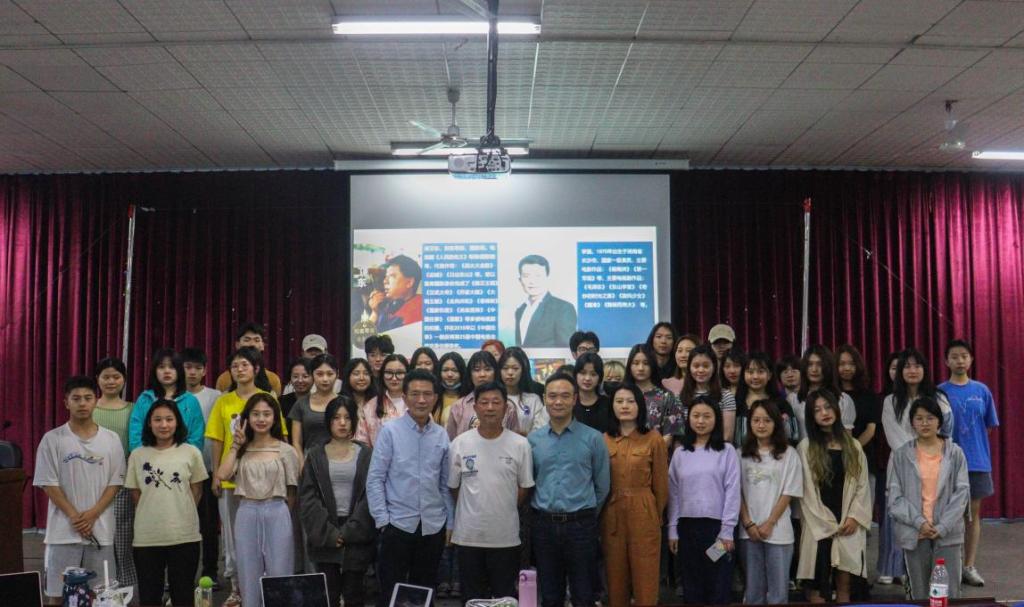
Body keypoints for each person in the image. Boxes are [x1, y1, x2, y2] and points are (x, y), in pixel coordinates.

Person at [205, 347, 289, 606]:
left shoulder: (267, 398)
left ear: (256, 368)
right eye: (235, 366)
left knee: (274, 548)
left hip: (267, 479)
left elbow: (281, 435)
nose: (239, 369)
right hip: (233, 474)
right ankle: (238, 588)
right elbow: (217, 439)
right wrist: (216, 476)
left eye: (245, 364)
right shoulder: (224, 401)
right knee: (236, 542)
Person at [34, 376, 125, 605]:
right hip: (62, 532)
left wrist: (92, 514)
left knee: (102, 595)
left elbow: (115, 482)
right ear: (66, 402)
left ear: (96, 401)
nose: (82, 403)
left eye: (87, 398)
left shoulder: (111, 439)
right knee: (57, 594)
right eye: (76, 398)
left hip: (100, 530)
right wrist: (75, 517)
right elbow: (48, 483)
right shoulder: (52, 439)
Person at [367, 369, 455, 599]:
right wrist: (383, 521)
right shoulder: (390, 431)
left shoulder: (441, 435)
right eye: (415, 394)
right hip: (397, 524)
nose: (421, 400)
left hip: (432, 526)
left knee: (424, 593)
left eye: (427, 394)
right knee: (391, 593)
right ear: (405, 398)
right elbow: (375, 478)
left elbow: (445, 484)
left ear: (435, 398)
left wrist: (449, 522)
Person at [529, 372, 610, 607]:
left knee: (584, 595)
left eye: (565, 396)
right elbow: (529, 483)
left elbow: (602, 485)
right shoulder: (533, 441)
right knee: (550, 595)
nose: (558, 401)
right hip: (543, 525)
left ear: (575, 399)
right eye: (552, 396)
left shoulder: (593, 438)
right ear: (544, 399)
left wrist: (585, 515)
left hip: (581, 526)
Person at [449, 381, 535, 602]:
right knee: (472, 599)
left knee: (504, 598)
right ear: (475, 407)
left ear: (506, 408)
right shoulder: (459, 443)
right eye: (484, 402)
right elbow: (454, 487)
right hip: (468, 536)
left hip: (505, 537)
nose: (490, 407)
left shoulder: (520, 445)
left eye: (496, 402)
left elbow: (524, 486)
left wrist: (503, 506)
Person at [217, 393, 300, 607]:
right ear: (247, 418)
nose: (261, 419)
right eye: (255, 414)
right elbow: (222, 475)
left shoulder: (286, 450)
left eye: (266, 414)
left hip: (277, 510)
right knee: (247, 571)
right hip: (247, 511)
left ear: (275, 418)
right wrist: (235, 446)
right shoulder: (241, 450)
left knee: (280, 571)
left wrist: (281, 514)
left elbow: (292, 491)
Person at [125, 399, 207, 607]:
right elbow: (136, 494)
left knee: (183, 596)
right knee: (149, 597)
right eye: (158, 419)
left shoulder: (191, 452)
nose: (164, 425)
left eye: (169, 419)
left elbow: (197, 490)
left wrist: (179, 511)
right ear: (149, 423)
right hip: (147, 537)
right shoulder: (137, 455)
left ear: (177, 422)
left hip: (184, 535)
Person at [887, 395, 970, 600]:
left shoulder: (955, 453)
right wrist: (919, 522)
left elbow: (962, 494)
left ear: (939, 422)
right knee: (920, 593)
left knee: (948, 594)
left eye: (930, 418)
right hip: (916, 532)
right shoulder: (902, 455)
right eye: (919, 418)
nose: (925, 423)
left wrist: (943, 526)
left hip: (947, 533)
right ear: (912, 423)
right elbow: (895, 498)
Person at [300, 396, 377, 607]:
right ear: (328, 421)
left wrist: (350, 531)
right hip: (326, 531)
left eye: (347, 417)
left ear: (354, 420)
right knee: (327, 595)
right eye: (336, 418)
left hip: (357, 532)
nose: (342, 423)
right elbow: (308, 497)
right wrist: (330, 533)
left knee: (355, 594)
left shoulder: (367, 454)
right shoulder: (315, 455)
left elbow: (371, 496)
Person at [796, 389, 872, 603]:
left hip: (847, 522)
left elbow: (862, 486)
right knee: (817, 587)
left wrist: (854, 517)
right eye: (817, 410)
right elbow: (806, 493)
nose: (824, 413)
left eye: (828, 407)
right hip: (818, 525)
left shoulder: (853, 446)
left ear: (837, 410)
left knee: (845, 585)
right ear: (811, 416)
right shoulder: (805, 447)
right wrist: (826, 523)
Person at [667, 395, 740, 604]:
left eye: (707, 416)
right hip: (687, 529)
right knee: (692, 585)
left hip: (717, 530)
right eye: (696, 416)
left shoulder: (727, 451)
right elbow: (673, 493)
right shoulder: (680, 453)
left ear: (716, 419)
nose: (701, 421)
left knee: (718, 583)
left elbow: (733, 491)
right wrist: (672, 529)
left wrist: (727, 531)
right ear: (688, 419)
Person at [939, 338, 998, 587]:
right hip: (946, 463)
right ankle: (947, 565)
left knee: (972, 516)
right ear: (946, 361)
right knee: (947, 515)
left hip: (977, 462)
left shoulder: (982, 390)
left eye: (964, 356)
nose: (960, 361)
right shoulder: (940, 392)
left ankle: (968, 566)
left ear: (971, 359)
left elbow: (989, 426)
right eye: (954, 356)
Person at [602, 383, 667, 607]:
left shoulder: (654, 439)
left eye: (630, 401)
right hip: (612, 512)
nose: (625, 406)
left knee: (646, 577)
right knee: (615, 578)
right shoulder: (603, 439)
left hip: (644, 510)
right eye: (619, 401)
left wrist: (656, 515)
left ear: (640, 406)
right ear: (612, 406)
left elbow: (661, 484)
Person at [738, 400, 803, 604]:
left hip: (779, 532)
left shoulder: (789, 454)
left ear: (776, 423)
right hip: (748, 532)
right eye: (756, 420)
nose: (761, 425)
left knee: (778, 595)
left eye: (767, 420)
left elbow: (789, 492)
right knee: (753, 593)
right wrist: (748, 523)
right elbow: (736, 493)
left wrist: (770, 523)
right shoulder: (740, 454)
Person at [91, 358, 137, 597]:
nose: (111, 381)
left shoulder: (132, 409)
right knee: (97, 535)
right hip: (92, 481)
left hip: (122, 481)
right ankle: (100, 587)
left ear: (124, 379)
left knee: (123, 536)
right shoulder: (89, 407)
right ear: (97, 380)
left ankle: (127, 589)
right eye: (106, 377)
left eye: (116, 377)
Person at [181, 347, 223, 587]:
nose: (192, 372)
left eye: (197, 368)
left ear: (205, 371)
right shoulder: (174, 397)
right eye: (188, 367)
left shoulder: (215, 396)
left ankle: (210, 572)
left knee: (208, 525)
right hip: (179, 472)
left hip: (207, 469)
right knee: (182, 524)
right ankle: (182, 575)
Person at [127, 348, 205, 453]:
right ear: (155, 371)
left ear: (179, 371)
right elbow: (135, 436)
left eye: (172, 367)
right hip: (147, 459)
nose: (167, 371)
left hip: (182, 460)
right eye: (161, 367)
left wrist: (175, 457)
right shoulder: (144, 399)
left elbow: (196, 438)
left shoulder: (191, 401)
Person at [836, 345, 881, 505]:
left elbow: (871, 429)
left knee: (863, 510)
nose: (847, 368)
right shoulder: (829, 394)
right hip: (835, 458)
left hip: (863, 457)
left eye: (851, 364)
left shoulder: (869, 395)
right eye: (842, 364)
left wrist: (851, 450)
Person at [447, 351, 519, 439]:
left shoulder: (508, 407)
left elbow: (514, 440)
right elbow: (451, 441)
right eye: (477, 370)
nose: (482, 375)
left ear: (495, 373)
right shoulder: (458, 406)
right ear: (470, 374)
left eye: (487, 369)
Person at [734, 352, 801, 446]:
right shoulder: (736, 403)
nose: (755, 376)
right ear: (743, 374)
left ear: (769, 375)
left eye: (761, 372)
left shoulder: (781, 404)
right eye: (750, 372)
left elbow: (793, 436)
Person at [624, 344, 685, 445]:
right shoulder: (621, 396)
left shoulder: (666, 396)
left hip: (657, 452)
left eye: (646, 363)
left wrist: (648, 452)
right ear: (629, 366)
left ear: (652, 365)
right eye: (636, 363)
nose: (641, 368)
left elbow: (669, 436)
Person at [514, 254, 578, 347]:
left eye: (538, 276)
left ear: (547, 278)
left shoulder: (563, 308)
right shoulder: (520, 310)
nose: (532, 281)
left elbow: (566, 347)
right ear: (520, 280)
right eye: (526, 276)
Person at [679, 344, 737, 442]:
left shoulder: (726, 396)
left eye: (706, 366)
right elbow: (680, 435)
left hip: (718, 449)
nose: (701, 370)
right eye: (696, 366)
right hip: (689, 448)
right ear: (689, 368)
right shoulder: (680, 398)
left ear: (714, 367)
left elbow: (727, 436)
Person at [794, 345, 856, 436]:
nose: (814, 369)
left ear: (828, 367)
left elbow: (847, 437)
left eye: (819, 364)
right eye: (810, 364)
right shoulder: (794, 399)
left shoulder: (843, 400)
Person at [290, 353, 340, 458]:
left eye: (330, 374)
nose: (325, 379)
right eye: (320, 374)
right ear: (312, 375)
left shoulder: (344, 402)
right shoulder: (301, 404)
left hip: (339, 459)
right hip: (310, 460)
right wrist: (302, 464)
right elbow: (296, 443)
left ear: (337, 375)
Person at [215, 322, 283, 395]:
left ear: (263, 345)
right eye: (247, 340)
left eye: (256, 340)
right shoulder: (224, 379)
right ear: (237, 345)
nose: (252, 344)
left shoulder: (273, 379)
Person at [356, 354, 408, 447]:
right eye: (389, 373)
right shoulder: (371, 406)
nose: (394, 378)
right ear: (382, 375)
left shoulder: (417, 402)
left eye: (400, 373)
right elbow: (362, 443)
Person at [369, 254, 424, 331]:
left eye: (392, 276)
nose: (385, 281)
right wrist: (375, 313)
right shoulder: (392, 304)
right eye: (386, 276)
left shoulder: (416, 312)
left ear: (409, 282)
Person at [499, 347, 547, 434]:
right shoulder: (493, 399)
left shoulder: (533, 400)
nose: (510, 372)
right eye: (505, 368)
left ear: (523, 370)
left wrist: (524, 437)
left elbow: (540, 430)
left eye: (515, 368)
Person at [574, 352, 610, 433]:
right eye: (583, 373)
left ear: (600, 378)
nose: (587, 378)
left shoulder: (608, 404)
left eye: (593, 374)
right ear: (575, 375)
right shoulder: (569, 402)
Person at [436, 352, 470, 426]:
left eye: (455, 370)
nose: (450, 374)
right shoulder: (433, 397)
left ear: (462, 373)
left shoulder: (469, 398)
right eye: (445, 370)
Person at [279, 357, 313, 432]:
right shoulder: (281, 402)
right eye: (295, 376)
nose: (300, 380)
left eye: (305, 376)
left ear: (314, 378)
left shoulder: (318, 401)